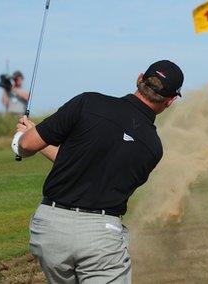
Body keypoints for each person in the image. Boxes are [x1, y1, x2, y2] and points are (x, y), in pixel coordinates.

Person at [11, 60, 183, 283]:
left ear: (139, 78)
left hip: (50, 230)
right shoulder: (153, 147)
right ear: (170, 101)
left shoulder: (88, 102)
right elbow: (95, 168)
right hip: (101, 235)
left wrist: (22, 137)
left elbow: (27, 146)